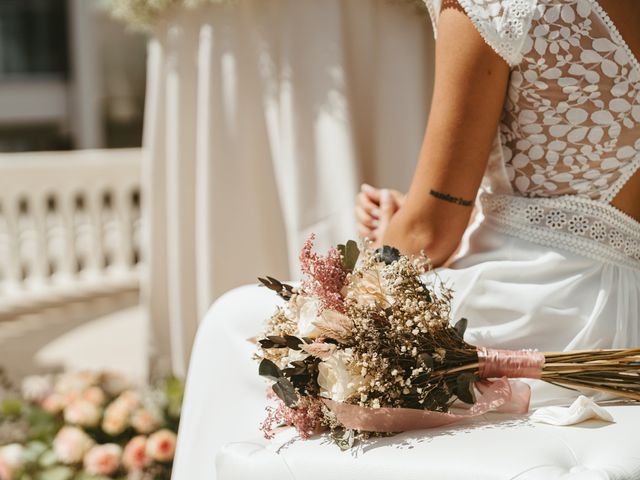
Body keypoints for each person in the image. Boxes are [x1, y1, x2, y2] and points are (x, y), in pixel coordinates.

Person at [172, 1, 640, 479]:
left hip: (539, 311)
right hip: (628, 322)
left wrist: (391, 241)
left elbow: (428, 234)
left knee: (233, 324)